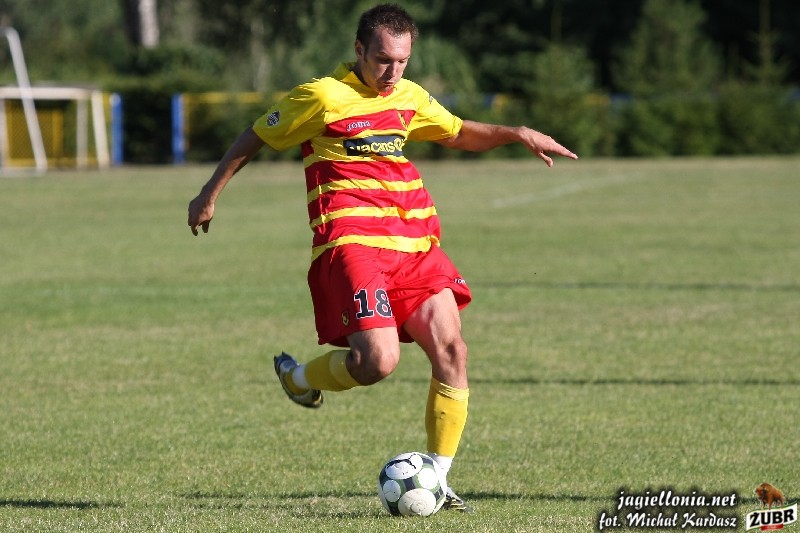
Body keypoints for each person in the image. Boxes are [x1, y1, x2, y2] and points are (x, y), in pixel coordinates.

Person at [188, 3, 577, 513]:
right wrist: (209, 193)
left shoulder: (409, 96)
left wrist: (515, 133)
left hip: (415, 243)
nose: (393, 72)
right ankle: (299, 379)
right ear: (359, 50)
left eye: (402, 61)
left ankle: (437, 479)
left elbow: (458, 132)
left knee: (453, 352)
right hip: (353, 243)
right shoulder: (322, 96)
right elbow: (257, 134)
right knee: (377, 363)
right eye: (382, 60)